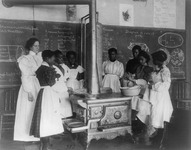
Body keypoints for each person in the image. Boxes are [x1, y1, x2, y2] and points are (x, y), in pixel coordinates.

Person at [136, 50, 173, 148]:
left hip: (161, 97)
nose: (153, 61)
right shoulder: (155, 69)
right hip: (153, 96)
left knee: (158, 116)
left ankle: (159, 140)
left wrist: (154, 86)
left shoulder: (165, 70)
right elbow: (152, 80)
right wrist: (149, 84)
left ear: (159, 60)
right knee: (152, 114)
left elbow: (166, 85)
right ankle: (154, 138)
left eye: (154, 59)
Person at [30, 50, 64, 150]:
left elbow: (45, 80)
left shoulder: (40, 68)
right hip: (49, 94)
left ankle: (44, 143)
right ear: (47, 58)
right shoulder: (48, 69)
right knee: (48, 118)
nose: (54, 60)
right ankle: (46, 146)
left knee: (43, 118)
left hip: (42, 93)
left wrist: (55, 76)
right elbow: (52, 83)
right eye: (53, 58)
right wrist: (64, 88)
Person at [14, 37, 42, 142]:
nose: (37, 47)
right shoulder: (24, 59)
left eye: (38, 45)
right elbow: (25, 76)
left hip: (37, 84)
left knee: (35, 109)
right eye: (35, 45)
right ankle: (26, 136)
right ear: (30, 46)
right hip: (29, 87)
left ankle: (35, 134)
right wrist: (29, 92)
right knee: (28, 109)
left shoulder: (39, 57)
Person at [53, 50, 73, 118]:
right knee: (60, 109)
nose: (62, 59)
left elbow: (66, 77)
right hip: (57, 90)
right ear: (55, 58)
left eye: (62, 57)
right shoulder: (53, 67)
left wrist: (67, 87)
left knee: (66, 108)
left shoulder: (63, 66)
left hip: (64, 88)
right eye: (60, 57)